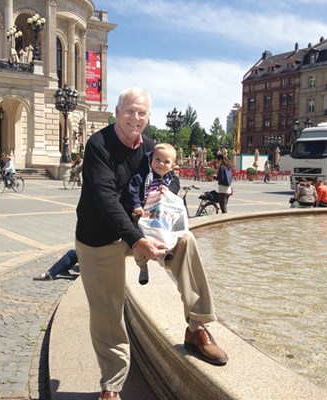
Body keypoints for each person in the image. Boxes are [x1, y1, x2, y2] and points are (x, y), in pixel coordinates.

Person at [75, 87, 227, 400]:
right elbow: (105, 199)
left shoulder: (148, 146)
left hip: (139, 229)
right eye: (129, 111)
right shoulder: (99, 145)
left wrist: (167, 192)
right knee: (107, 312)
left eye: (141, 112)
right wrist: (137, 240)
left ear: (148, 117)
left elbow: (168, 176)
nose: (135, 117)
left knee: (186, 241)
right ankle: (112, 386)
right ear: (117, 112)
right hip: (99, 236)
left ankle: (197, 328)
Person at [128, 143, 180, 284]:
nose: (161, 164)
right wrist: (137, 205)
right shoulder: (145, 175)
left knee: (166, 233)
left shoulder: (170, 179)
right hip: (144, 213)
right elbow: (133, 188)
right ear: (151, 159)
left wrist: (168, 191)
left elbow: (176, 188)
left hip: (159, 214)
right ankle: (142, 266)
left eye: (166, 161)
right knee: (139, 240)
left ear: (172, 165)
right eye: (157, 160)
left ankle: (166, 253)